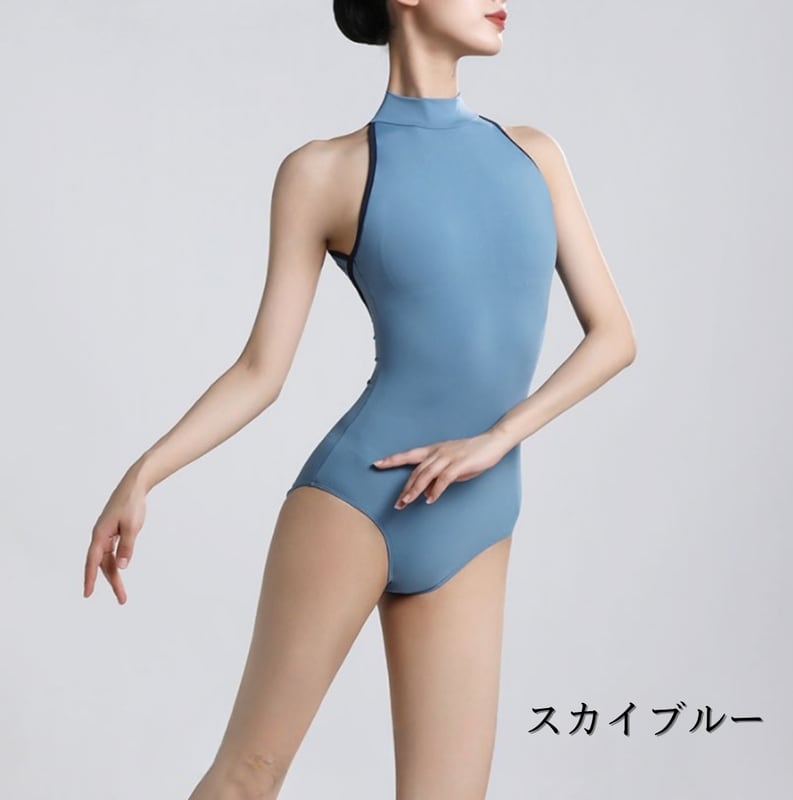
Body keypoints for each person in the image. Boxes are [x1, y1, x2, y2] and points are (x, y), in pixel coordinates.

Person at [83, 1, 636, 798]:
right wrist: (142, 474)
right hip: (354, 504)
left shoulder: (534, 156)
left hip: (475, 516)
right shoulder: (323, 172)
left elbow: (614, 336)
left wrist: (497, 438)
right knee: (247, 778)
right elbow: (260, 371)